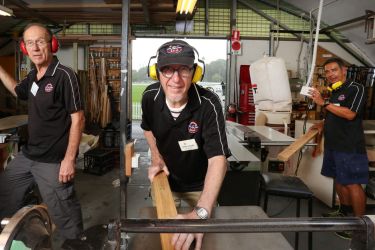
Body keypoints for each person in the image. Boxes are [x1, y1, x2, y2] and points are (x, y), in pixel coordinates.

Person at [0, 23, 87, 248]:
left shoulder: (65, 76)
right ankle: (25, 239)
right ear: (25, 48)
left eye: (40, 41)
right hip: (30, 154)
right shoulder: (32, 75)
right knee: (7, 189)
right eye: (30, 43)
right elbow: (18, 91)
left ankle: (76, 243)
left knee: (63, 209)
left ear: (52, 44)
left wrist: (69, 160)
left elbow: (78, 119)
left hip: (53, 160)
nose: (36, 48)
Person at [141, 40, 230, 250]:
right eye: (167, 70)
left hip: (200, 187)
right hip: (166, 183)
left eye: (184, 70)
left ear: (196, 73)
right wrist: (157, 156)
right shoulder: (149, 98)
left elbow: (218, 159)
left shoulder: (209, 104)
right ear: (156, 73)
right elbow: (147, 128)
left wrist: (201, 212)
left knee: (203, 242)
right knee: (165, 242)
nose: (176, 79)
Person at [308, 57, 368, 238]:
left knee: (352, 184)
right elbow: (335, 114)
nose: (330, 74)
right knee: (340, 181)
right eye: (327, 72)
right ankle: (345, 214)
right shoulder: (336, 91)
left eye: (334, 70)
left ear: (344, 70)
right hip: (334, 145)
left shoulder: (356, 88)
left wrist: (324, 103)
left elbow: (350, 115)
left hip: (349, 145)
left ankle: (360, 227)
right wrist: (322, 124)